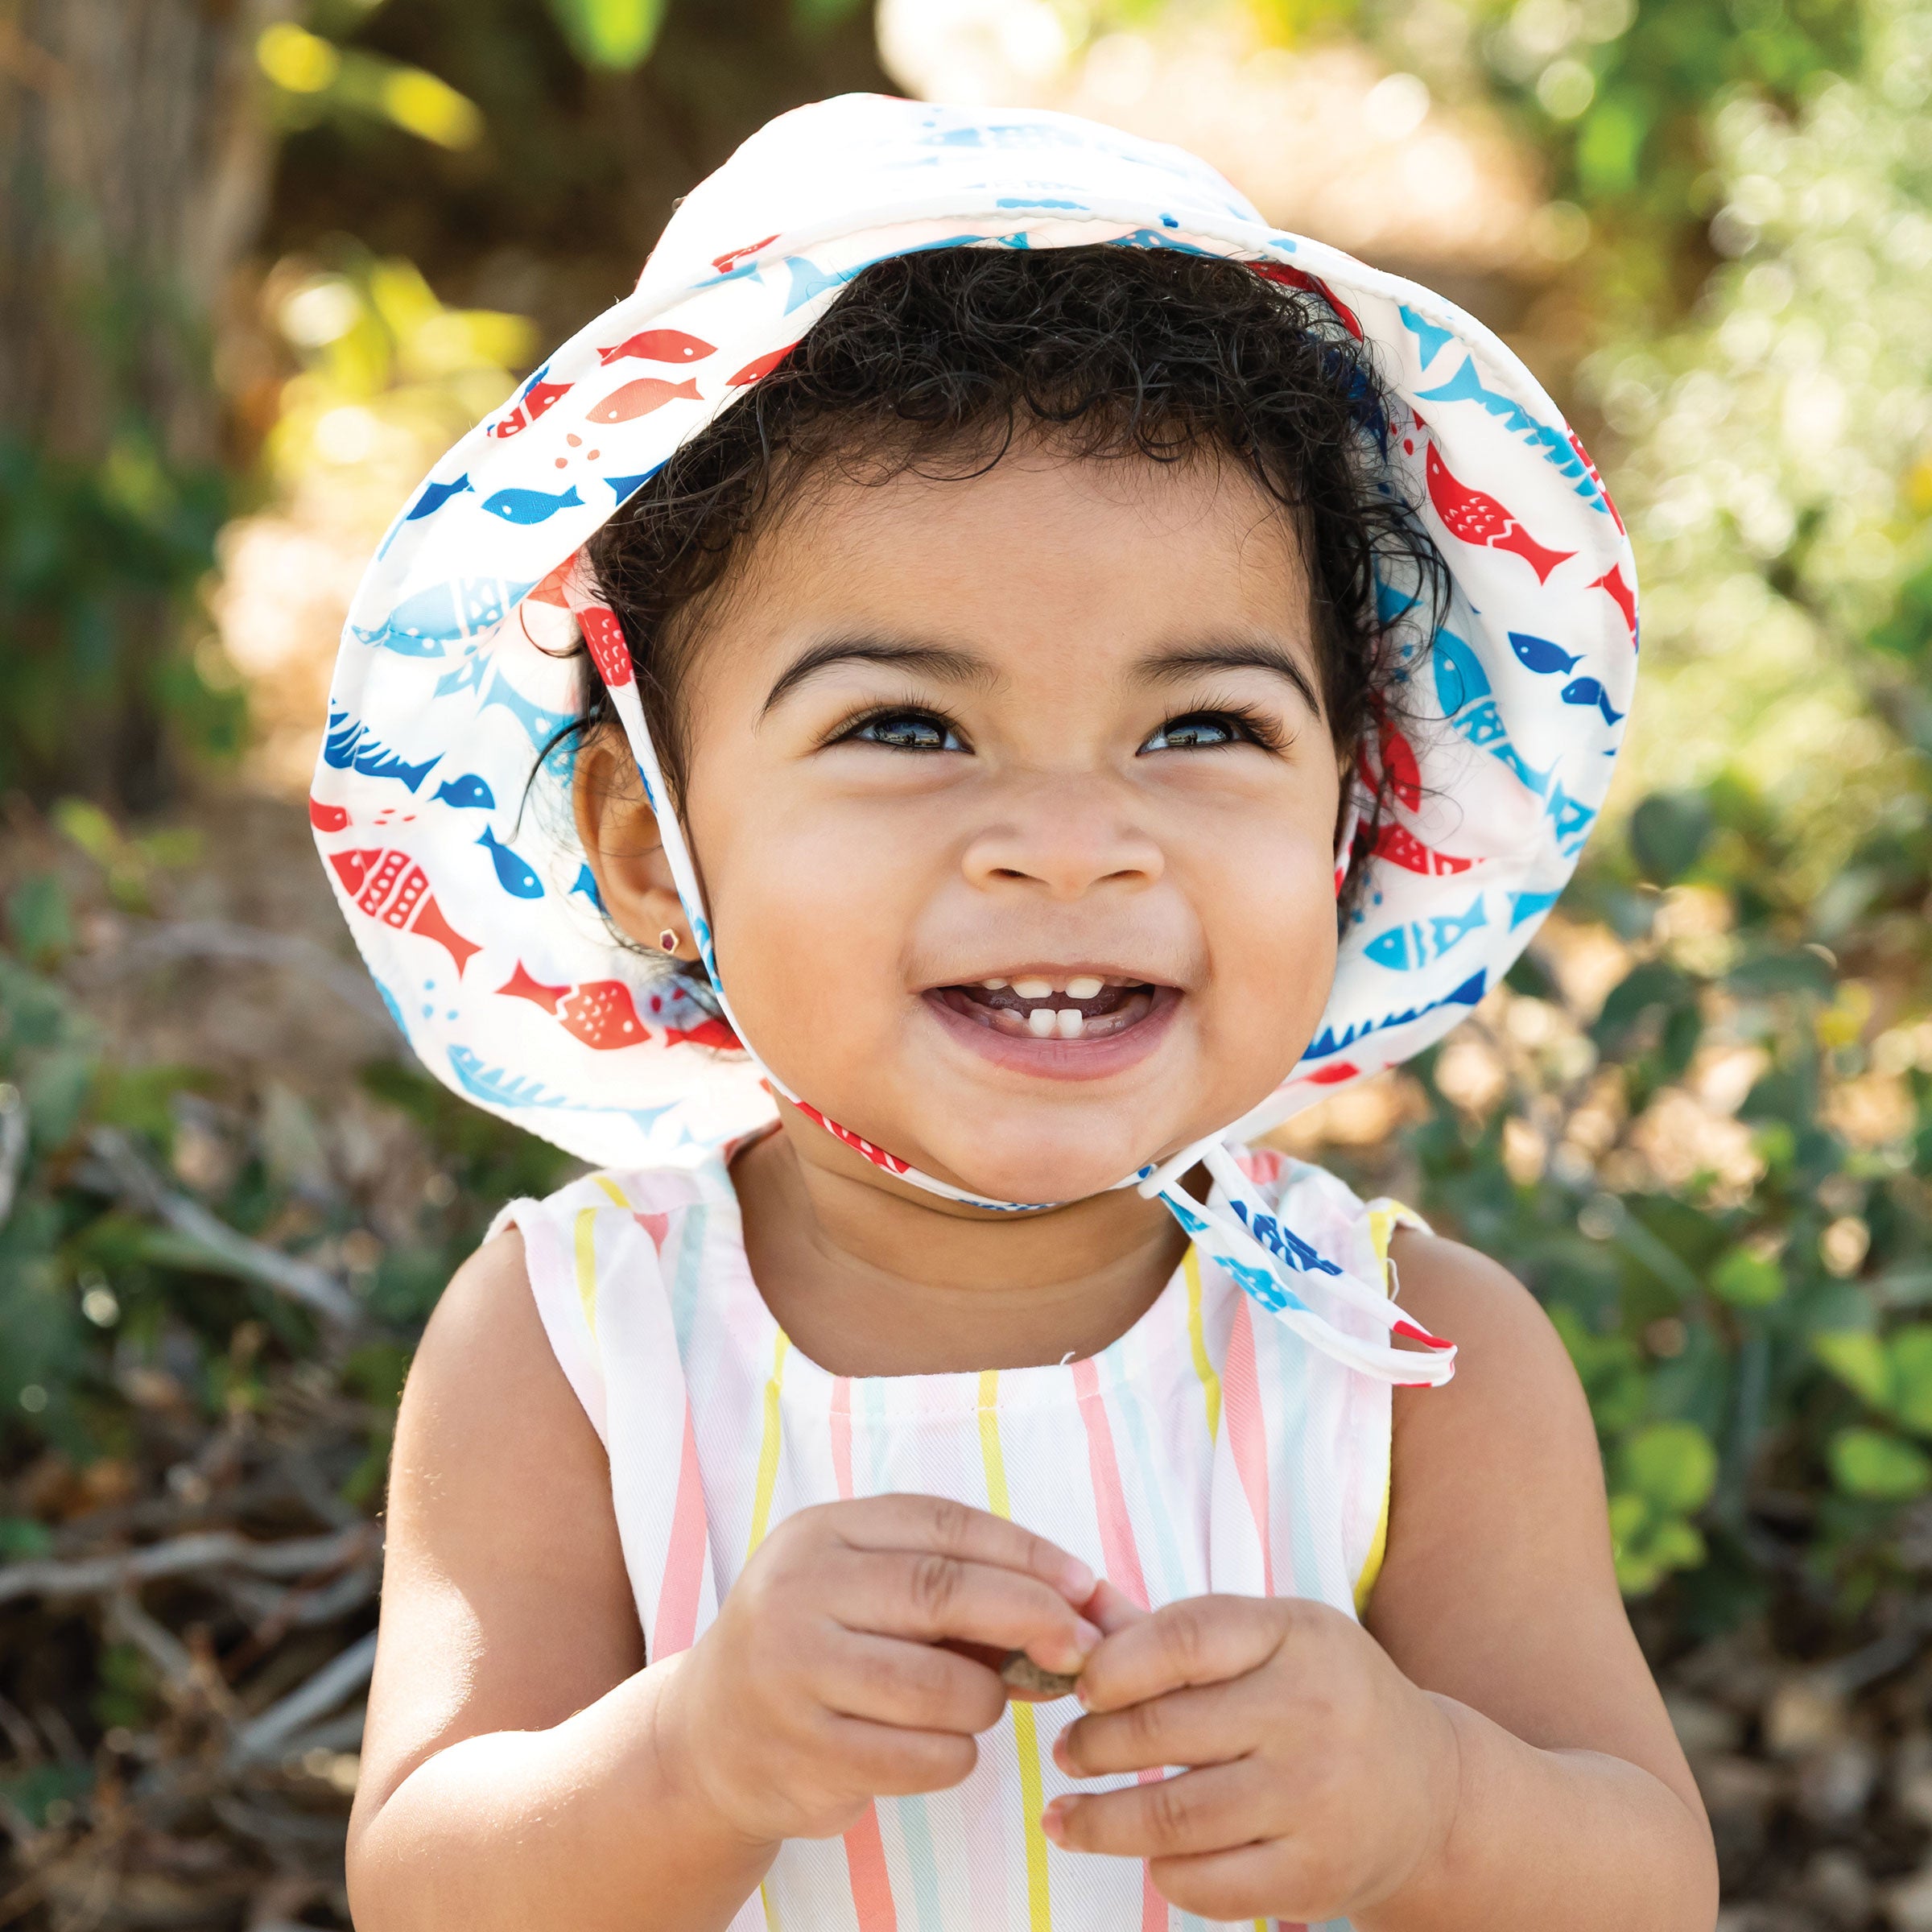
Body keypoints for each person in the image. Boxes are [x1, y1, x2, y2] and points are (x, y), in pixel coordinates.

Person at [317, 94, 1711, 1932]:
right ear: (651, 844)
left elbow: (1649, 1883)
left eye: (1202, 728)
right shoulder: (574, 1349)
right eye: (906, 727)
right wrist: (694, 1757)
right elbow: (430, 1888)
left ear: (1357, 807)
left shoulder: (1415, 1369)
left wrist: (1436, 1803)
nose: (1073, 847)